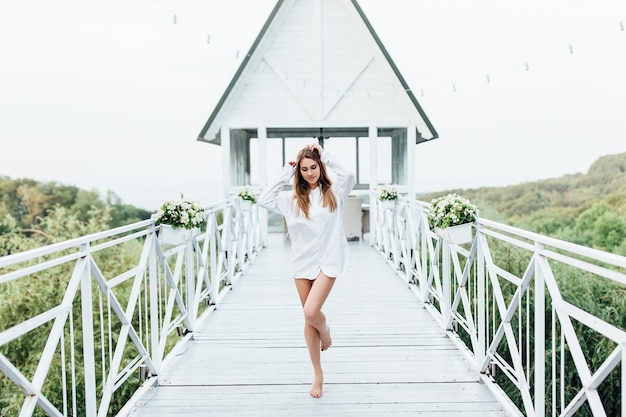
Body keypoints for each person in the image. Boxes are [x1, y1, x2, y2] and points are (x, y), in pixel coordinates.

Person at [258, 142, 356, 398]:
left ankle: (326, 332)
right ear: (299, 172)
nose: (310, 173)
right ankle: (317, 374)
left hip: (329, 261)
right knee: (308, 319)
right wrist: (285, 172)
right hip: (302, 264)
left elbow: (350, 174)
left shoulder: (335, 191)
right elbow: (264, 199)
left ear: (320, 167)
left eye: (314, 167)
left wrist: (326, 155)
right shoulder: (291, 200)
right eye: (304, 169)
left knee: (312, 312)